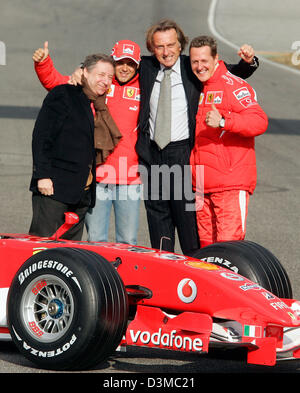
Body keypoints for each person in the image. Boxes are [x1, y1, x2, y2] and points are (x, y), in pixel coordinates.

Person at [135, 18, 259, 256]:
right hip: (152, 156)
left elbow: (225, 71)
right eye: (159, 46)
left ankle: (197, 273)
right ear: (152, 49)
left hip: (183, 153)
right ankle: (164, 276)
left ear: (180, 45)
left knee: (190, 226)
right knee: (159, 224)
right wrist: (80, 73)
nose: (166, 51)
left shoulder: (191, 67)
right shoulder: (146, 67)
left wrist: (248, 62)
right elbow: (119, 71)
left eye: (171, 45)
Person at [32, 40, 142, 244]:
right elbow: (55, 83)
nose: (125, 68)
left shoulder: (145, 86)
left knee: (127, 240)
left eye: (131, 63)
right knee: (95, 239)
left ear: (138, 65)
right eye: (120, 63)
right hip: (96, 177)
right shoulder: (92, 87)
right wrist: (44, 63)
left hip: (129, 177)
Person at [189, 35, 268, 247]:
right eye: (194, 61)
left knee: (230, 252)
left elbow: (259, 121)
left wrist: (225, 121)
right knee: (207, 254)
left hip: (229, 185)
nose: (199, 66)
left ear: (216, 59)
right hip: (201, 186)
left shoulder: (233, 85)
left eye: (204, 61)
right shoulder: (196, 87)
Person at [29, 53, 118, 240]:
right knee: (43, 247)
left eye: (110, 77)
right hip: (54, 189)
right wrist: (43, 176)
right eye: (101, 74)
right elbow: (42, 136)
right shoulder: (64, 94)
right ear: (85, 72)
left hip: (80, 194)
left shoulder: (96, 103)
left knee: (69, 254)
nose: (106, 81)